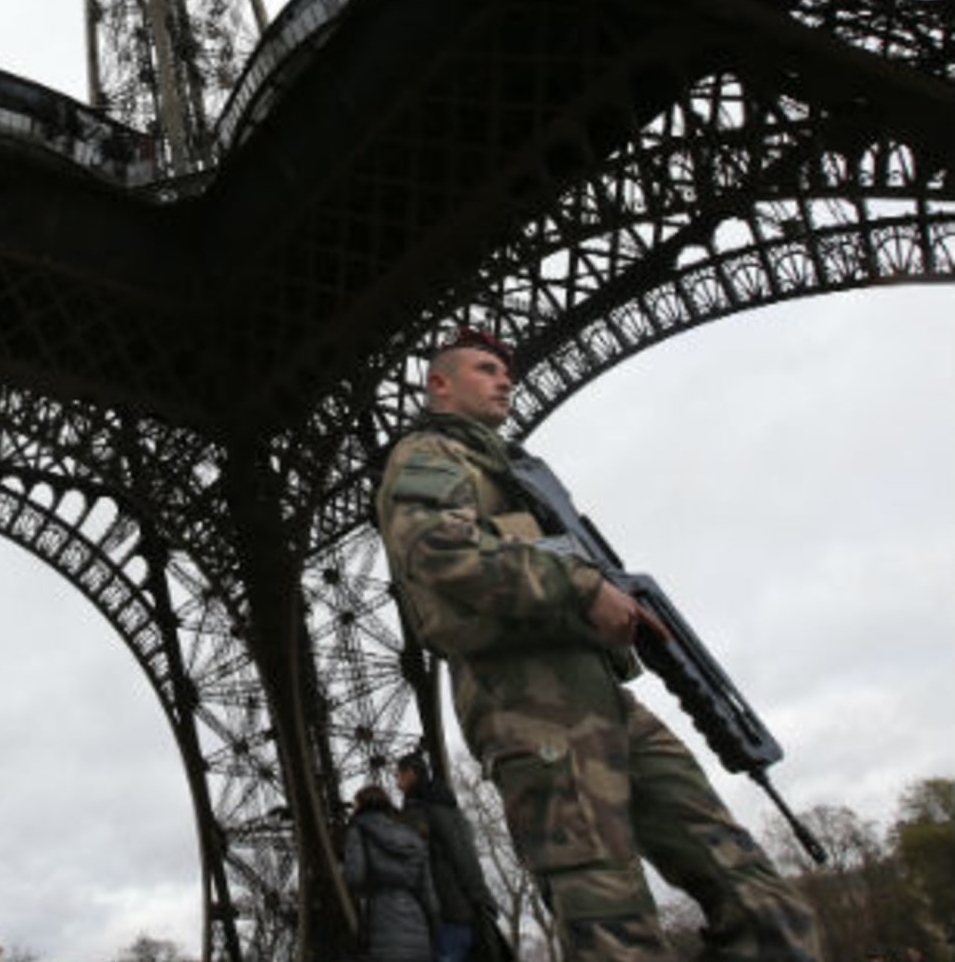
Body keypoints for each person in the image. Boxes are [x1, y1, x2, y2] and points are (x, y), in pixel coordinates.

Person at [374, 327, 821, 960]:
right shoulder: (429, 455)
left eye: (507, 370)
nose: (505, 378)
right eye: (485, 368)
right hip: (529, 708)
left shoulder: (511, 469)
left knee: (755, 891)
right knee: (608, 913)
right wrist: (583, 588)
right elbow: (440, 552)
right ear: (439, 384)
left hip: (603, 696)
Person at [395, 750, 499, 962]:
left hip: (448, 913)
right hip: (456, 911)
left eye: (399, 774)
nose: (396, 780)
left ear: (411, 774)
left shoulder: (425, 809)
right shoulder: (442, 806)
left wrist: (481, 898)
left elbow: (460, 855)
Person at [344, 783, 439, 961]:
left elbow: (354, 876)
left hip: (380, 924)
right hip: (418, 928)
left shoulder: (358, 829)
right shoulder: (413, 835)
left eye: (355, 803)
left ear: (362, 804)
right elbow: (430, 897)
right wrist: (433, 933)